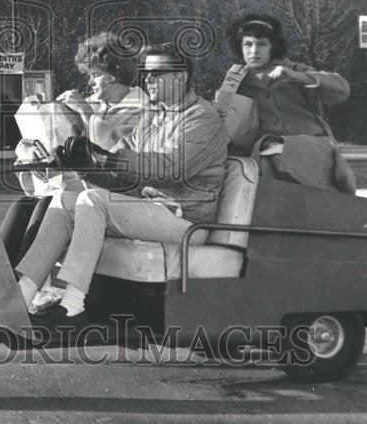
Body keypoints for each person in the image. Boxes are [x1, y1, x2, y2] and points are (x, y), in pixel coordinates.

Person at [14, 42, 229, 330]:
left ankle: (73, 308)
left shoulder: (202, 118)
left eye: (157, 73)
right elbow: (119, 164)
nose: (148, 80)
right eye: (146, 73)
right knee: (66, 198)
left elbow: (169, 169)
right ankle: (20, 297)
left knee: (93, 201)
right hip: (154, 208)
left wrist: (107, 157)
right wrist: (82, 164)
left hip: (186, 218)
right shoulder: (154, 116)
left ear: (182, 77)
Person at [1, 33, 145, 265]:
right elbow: (44, 136)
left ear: (114, 75)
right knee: (23, 205)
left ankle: (19, 285)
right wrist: (30, 153)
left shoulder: (140, 110)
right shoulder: (94, 103)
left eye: (95, 75)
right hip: (74, 189)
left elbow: (117, 156)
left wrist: (87, 113)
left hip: (111, 196)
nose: (90, 83)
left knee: (48, 207)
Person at [219, 13, 354, 191]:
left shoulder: (292, 69)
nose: (254, 50)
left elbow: (341, 90)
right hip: (263, 153)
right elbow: (224, 124)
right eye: (247, 44)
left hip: (309, 146)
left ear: (272, 47)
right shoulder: (235, 80)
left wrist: (298, 77)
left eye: (262, 44)